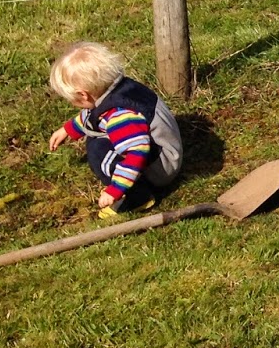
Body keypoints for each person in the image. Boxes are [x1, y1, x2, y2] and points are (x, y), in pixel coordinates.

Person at [48, 41, 184, 218]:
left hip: (161, 168)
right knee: (97, 138)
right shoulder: (120, 88)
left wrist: (115, 190)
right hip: (166, 148)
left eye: (72, 100)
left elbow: (136, 152)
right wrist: (68, 130)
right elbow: (93, 115)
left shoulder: (119, 115)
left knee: (97, 150)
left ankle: (138, 196)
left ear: (83, 94)